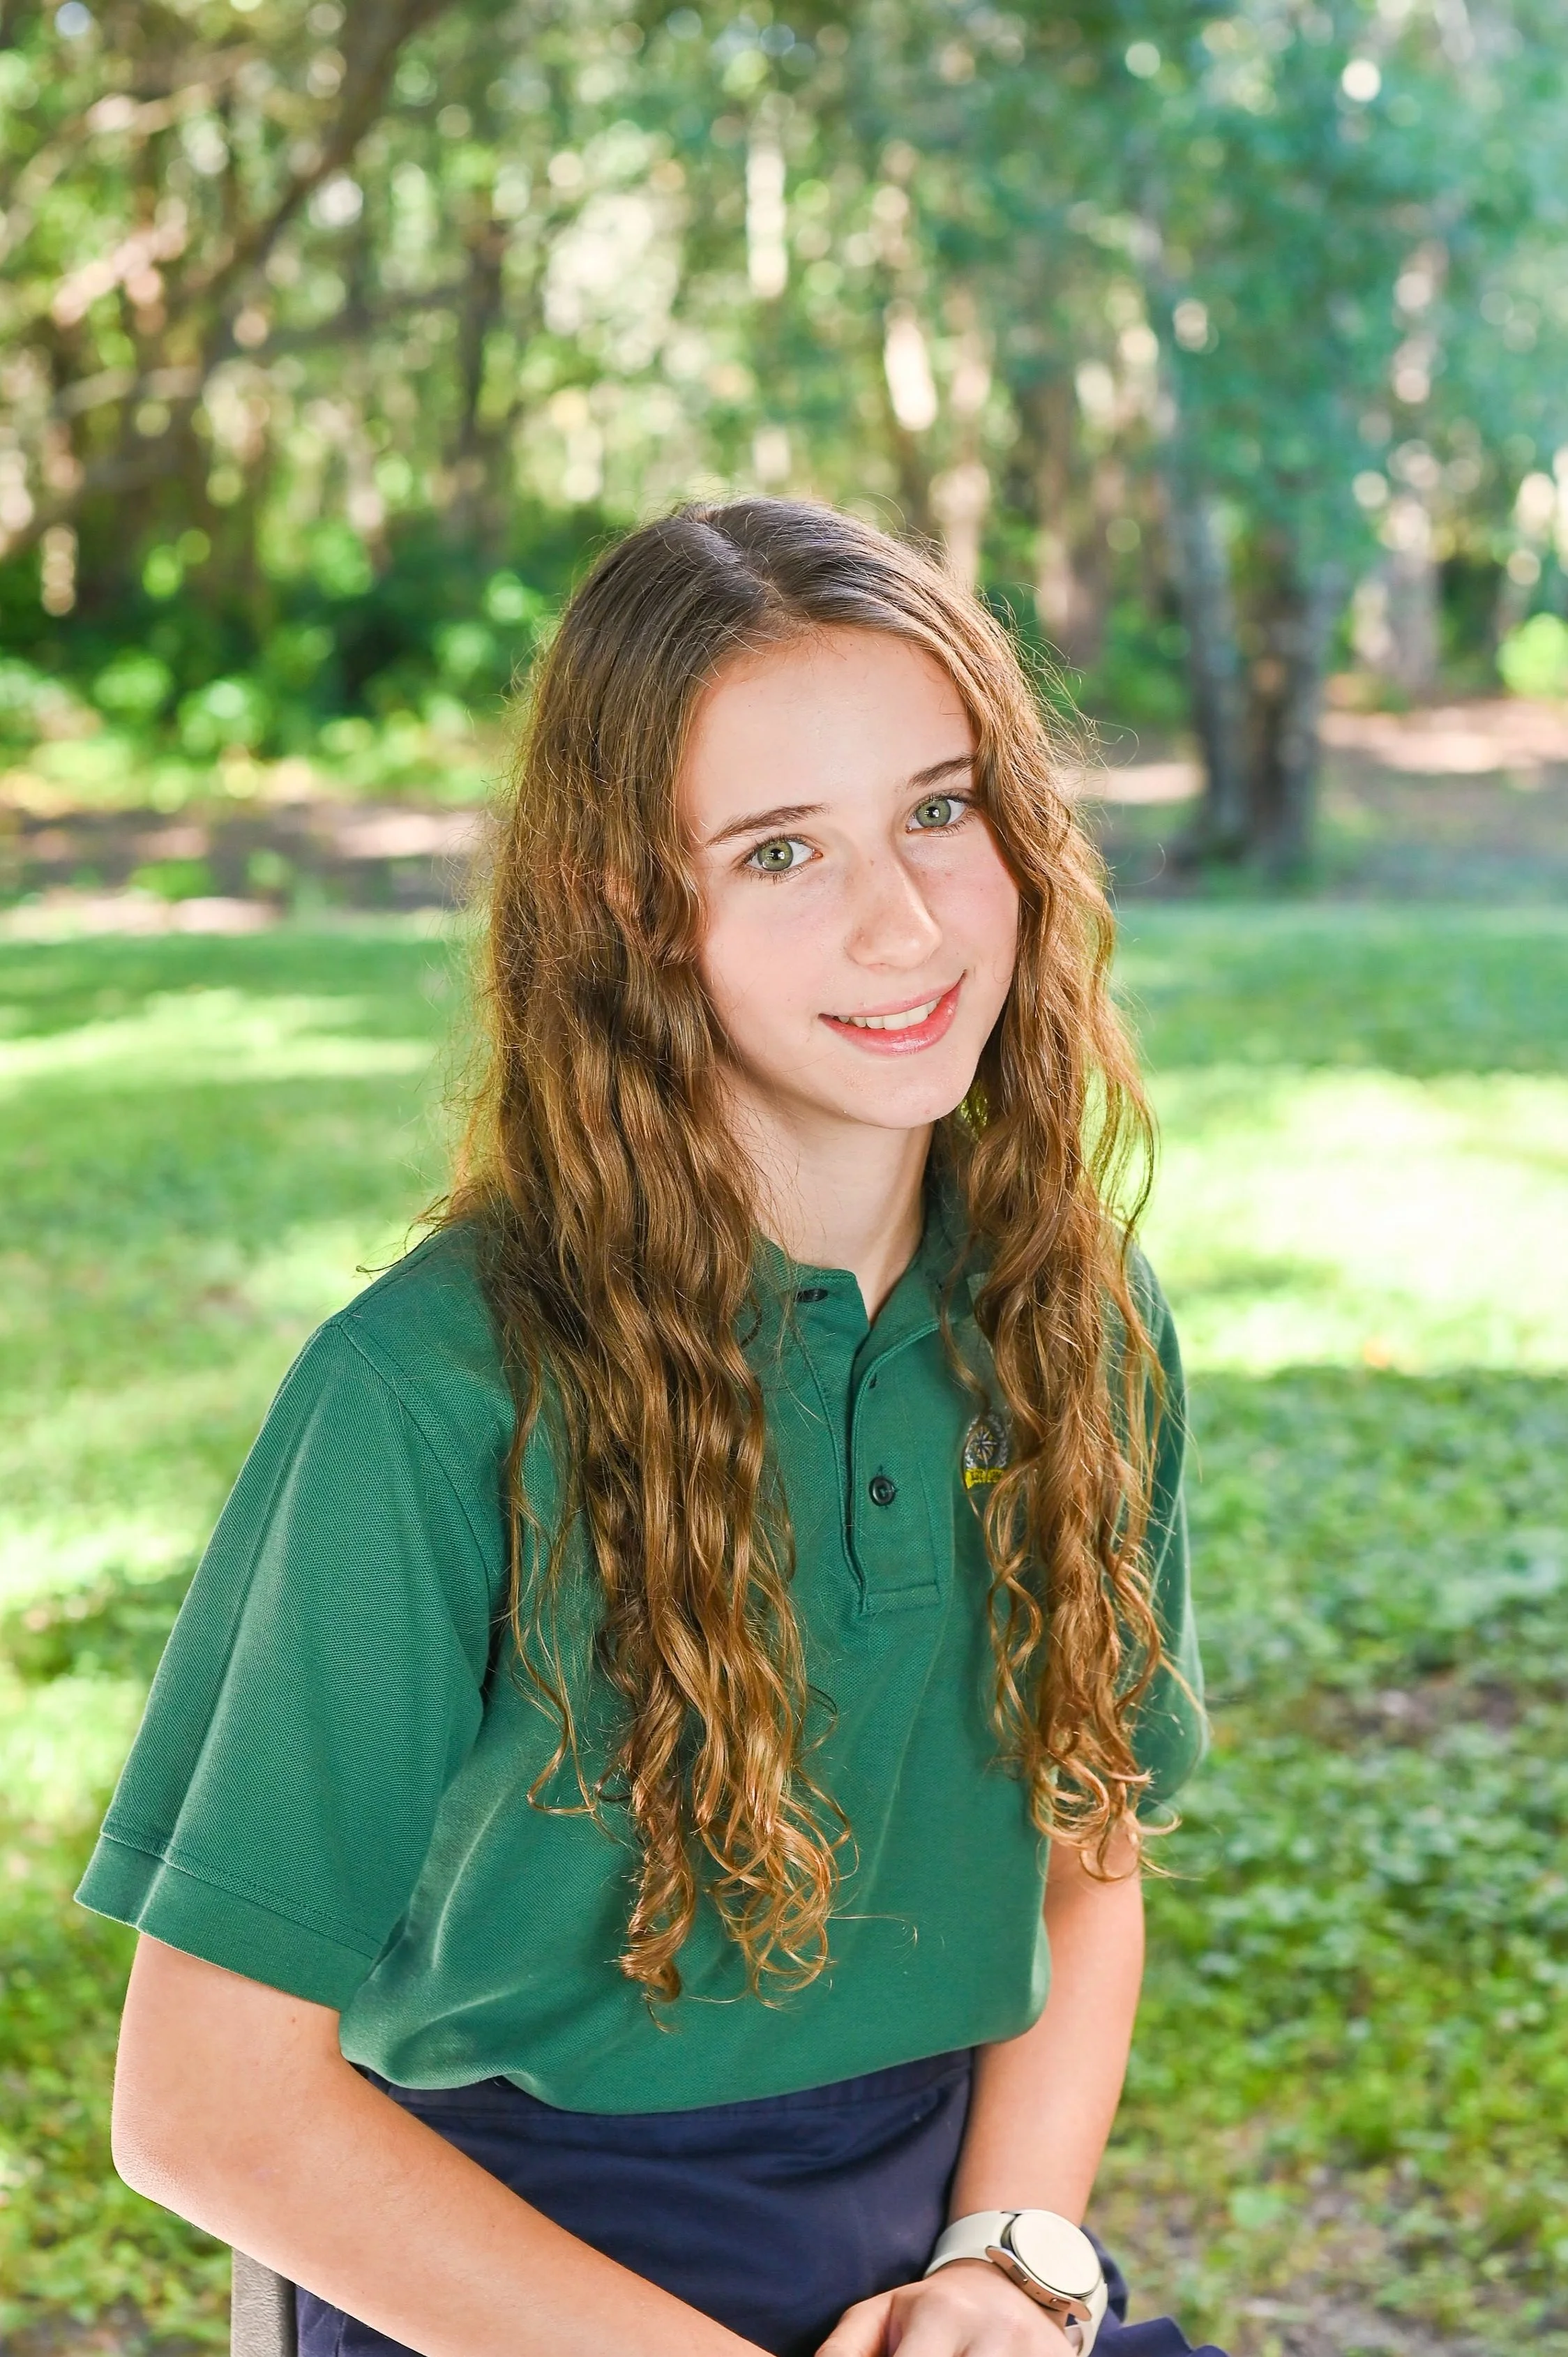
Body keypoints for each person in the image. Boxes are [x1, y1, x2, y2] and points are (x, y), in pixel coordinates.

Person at [81, 499, 1212, 2357]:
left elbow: (1089, 1855)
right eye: (780, 851)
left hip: (927, 2254)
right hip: (488, 2272)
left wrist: (1010, 2263)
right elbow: (207, 2108)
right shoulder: (432, 1394)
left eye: (941, 808)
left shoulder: (1078, 1322)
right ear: (632, 912)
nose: (904, 917)